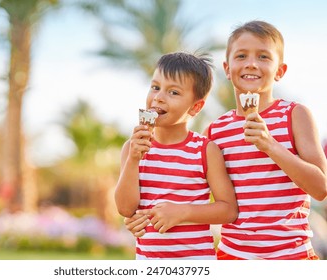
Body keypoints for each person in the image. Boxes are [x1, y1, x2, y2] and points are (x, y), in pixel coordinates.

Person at [125, 20, 327, 260]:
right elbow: (187, 193)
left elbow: (320, 188)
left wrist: (270, 145)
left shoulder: (295, 115)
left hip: (291, 255)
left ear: (280, 71)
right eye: (241, 56)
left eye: (263, 57)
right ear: (227, 69)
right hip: (232, 257)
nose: (251, 63)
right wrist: (141, 216)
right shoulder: (216, 131)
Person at [114, 51, 238, 259]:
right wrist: (134, 159)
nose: (159, 98)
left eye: (174, 92)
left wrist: (182, 212)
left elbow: (228, 210)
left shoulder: (205, 151)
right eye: (155, 87)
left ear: (196, 106)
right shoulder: (132, 148)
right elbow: (126, 208)